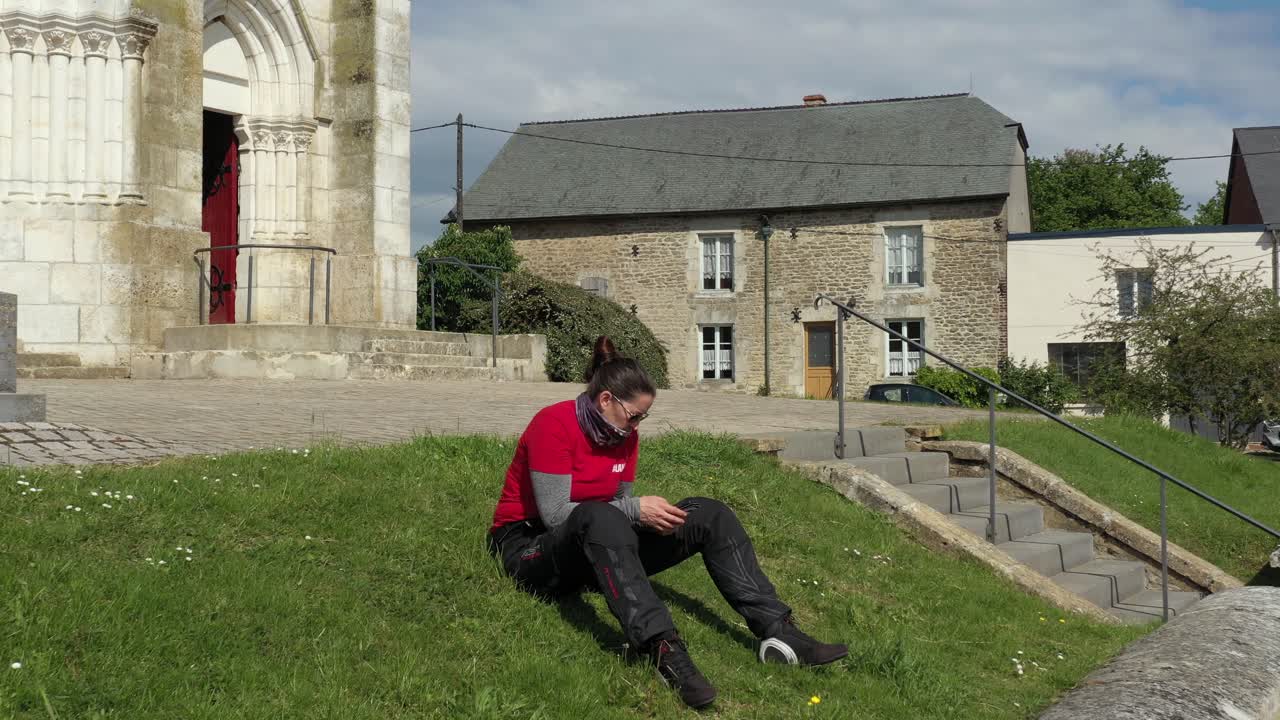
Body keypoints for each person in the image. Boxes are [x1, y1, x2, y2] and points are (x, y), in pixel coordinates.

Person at [488, 335, 848, 709]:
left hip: (593, 545)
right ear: (606, 399)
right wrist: (634, 510)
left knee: (709, 514)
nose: (637, 426)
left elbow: (617, 505)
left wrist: (650, 520)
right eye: (634, 415)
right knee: (598, 514)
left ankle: (780, 632)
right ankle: (664, 649)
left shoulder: (624, 435)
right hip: (529, 547)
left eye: (643, 418)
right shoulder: (554, 423)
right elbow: (556, 515)